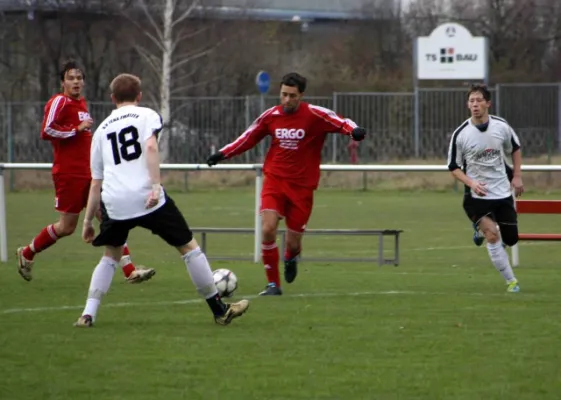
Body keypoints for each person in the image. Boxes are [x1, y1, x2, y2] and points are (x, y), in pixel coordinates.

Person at [74, 73, 249, 327]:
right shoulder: (147, 115)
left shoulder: (100, 131)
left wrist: (88, 220)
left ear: (113, 99)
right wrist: (155, 186)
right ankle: (219, 310)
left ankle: (87, 315)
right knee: (189, 248)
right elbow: (151, 148)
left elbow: (96, 182)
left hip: (115, 203)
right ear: (139, 96)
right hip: (148, 197)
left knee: (110, 256)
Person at [207, 72, 366, 296]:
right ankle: (273, 285)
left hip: (302, 187)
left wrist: (354, 132)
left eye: (292, 95)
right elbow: (248, 137)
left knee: (292, 242)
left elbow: (342, 122)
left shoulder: (315, 115)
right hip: (275, 180)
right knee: (268, 228)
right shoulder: (271, 116)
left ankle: (291, 257)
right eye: (283, 94)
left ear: (301, 95)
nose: (287, 100)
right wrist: (222, 154)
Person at [15, 60, 154, 284]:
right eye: (71, 78)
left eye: (79, 78)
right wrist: (74, 130)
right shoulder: (59, 101)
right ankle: (27, 253)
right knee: (66, 227)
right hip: (68, 174)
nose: (76, 81)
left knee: (110, 218)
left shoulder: (81, 103)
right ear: (63, 82)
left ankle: (130, 270)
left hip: (89, 174)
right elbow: (46, 130)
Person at [447, 84, 524, 293]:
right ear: (467, 105)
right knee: (492, 235)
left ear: (488, 103)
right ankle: (512, 282)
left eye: (479, 100)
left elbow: (515, 149)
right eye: (471, 101)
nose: (475, 105)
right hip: (476, 197)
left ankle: (488, 237)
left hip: (502, 193)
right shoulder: (461, 134)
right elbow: (453, 167)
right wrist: (471, 183)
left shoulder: (501, 127)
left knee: (511, 238)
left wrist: (516, 176)